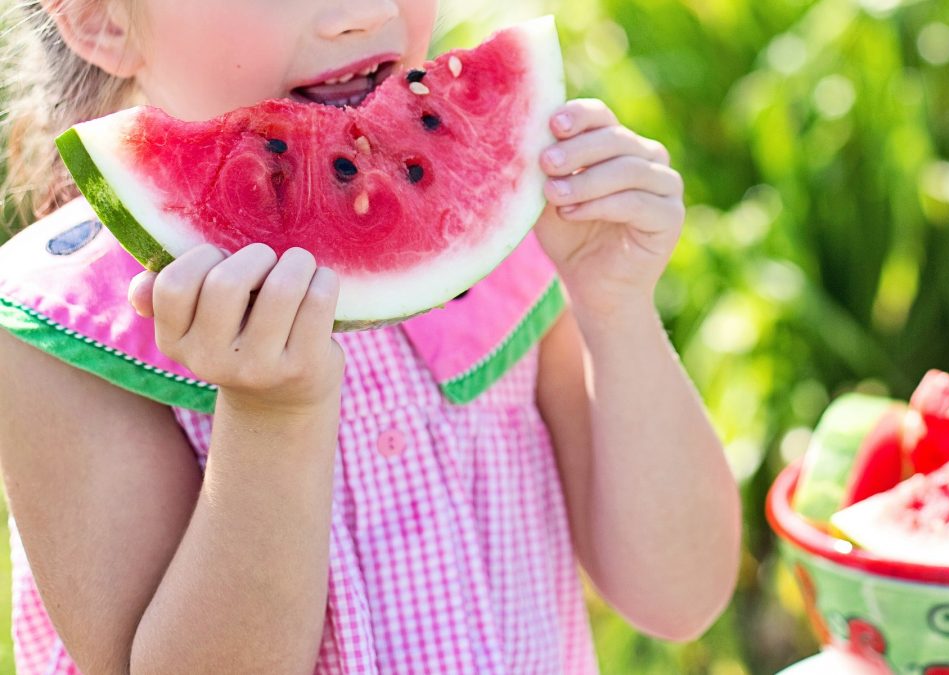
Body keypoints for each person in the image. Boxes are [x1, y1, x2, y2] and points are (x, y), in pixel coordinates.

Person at [0, 0, 741, 672]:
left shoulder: (510, 232)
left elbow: (681, 595)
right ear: (101, 19)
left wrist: (617, 308)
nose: (361, 14)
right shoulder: (63, 330)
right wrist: (272, 420)